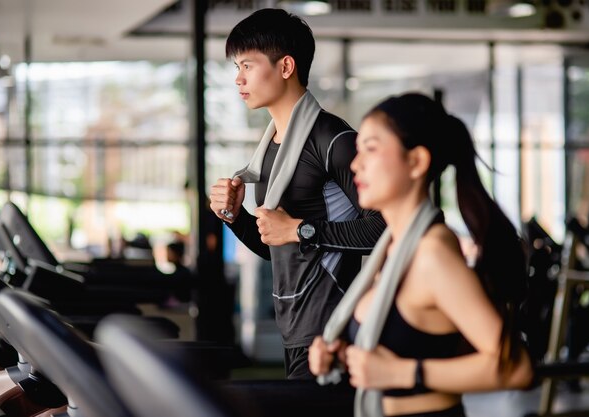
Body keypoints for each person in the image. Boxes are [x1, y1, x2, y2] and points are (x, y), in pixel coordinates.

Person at [308, 92, 534, 417]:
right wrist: (344, 355)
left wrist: (402, 373)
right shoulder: (390, 247)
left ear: (416, 162)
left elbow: (518, 368)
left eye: (370, 149)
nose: (355, 164)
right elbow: (402, 346)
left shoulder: (431, 254)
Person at [209, 8, 385, 380]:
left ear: (285, 66)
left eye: (247, 66)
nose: (238, 80)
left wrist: (301, 229)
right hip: (293, 330)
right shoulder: (272, 146)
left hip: (333, 329)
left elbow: (386, 228)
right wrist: (235, 216)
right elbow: (278, 249)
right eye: (236, 69)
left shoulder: (334, 139)